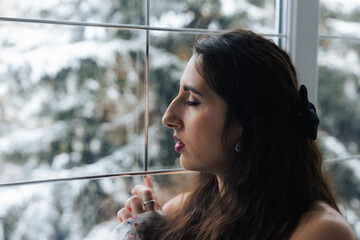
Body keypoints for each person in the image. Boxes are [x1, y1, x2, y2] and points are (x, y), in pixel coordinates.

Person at [115, 29, 354, 240]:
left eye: (192, 101)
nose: (168, 118)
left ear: (249, 121)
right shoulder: (179, 213)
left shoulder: (321, 232)